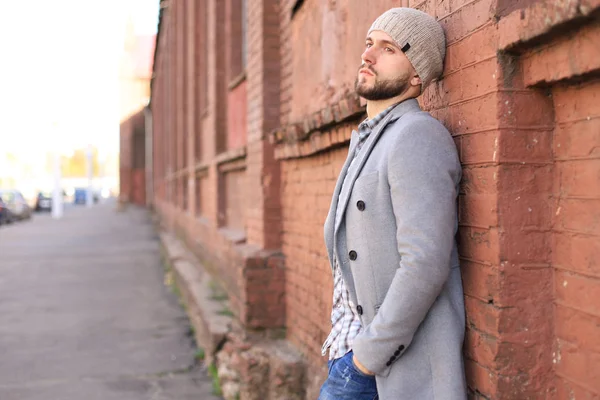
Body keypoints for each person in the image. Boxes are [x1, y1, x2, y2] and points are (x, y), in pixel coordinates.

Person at [319, 7, 467, 400]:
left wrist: (366, 359)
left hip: (383, 370)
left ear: (417, 74)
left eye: (388, 48)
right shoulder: (368, 140)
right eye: (369, 43)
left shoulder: (417, 136)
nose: (368, 55)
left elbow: (424, 262)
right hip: (349, 354)